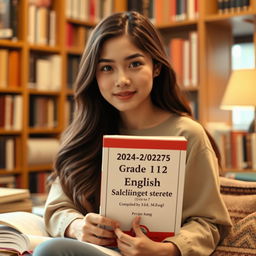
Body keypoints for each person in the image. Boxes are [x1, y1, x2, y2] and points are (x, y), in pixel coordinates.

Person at [34, 11, 232, 256]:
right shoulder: (84, 134)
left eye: (135, 64)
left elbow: (210, 222)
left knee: (50, 251)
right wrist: (76, 227)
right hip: (97, 250)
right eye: (107, 68)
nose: (122, 80)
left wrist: (166, 249)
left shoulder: (188, 134)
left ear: (156, 67)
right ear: (94, 76)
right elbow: (57, 207)